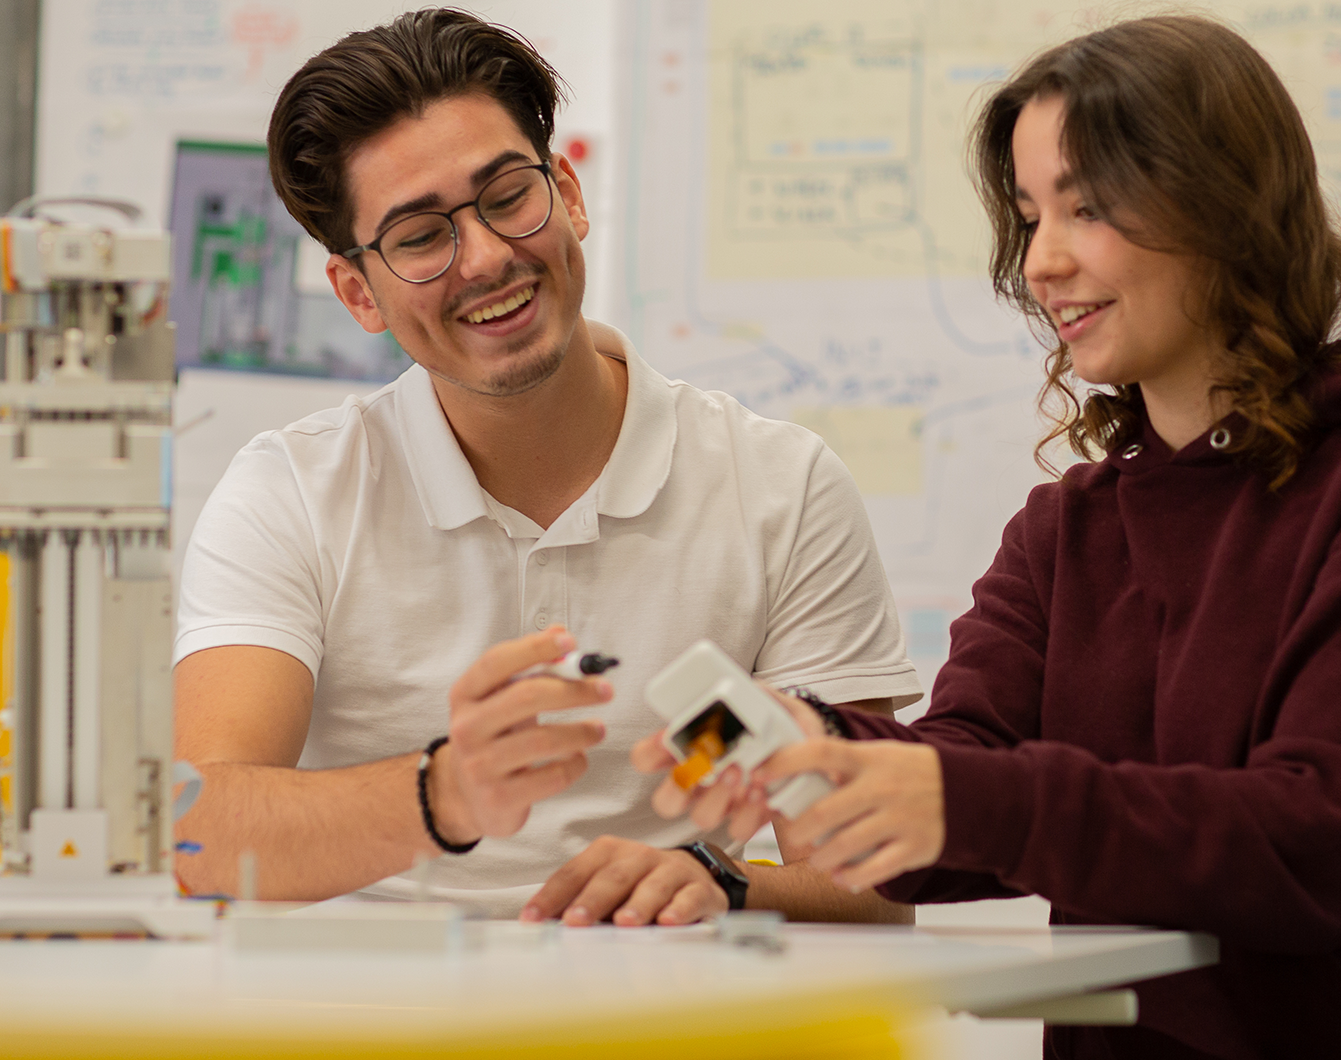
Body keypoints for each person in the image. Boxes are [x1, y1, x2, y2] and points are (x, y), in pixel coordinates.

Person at [642, 15, 1341, 1057]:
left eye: (1086, 207)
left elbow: (1322, 848)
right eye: (1027, 213)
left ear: (1224, 208)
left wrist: (957, 797)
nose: (1041, 261)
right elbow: (958, 793)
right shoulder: (1067, 528)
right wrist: (812, 752)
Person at [172, 8, 921, 924]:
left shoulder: (779, 488)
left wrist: (728, 885)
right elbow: (196, 831)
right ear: (357, 292)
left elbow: (877, 887)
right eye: (418, 237)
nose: (485, 257)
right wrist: (442, 794)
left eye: (507, 196)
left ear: (567, 193)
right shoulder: (290, 493)